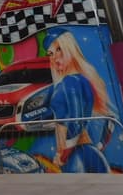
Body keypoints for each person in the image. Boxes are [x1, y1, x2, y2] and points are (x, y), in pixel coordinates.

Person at [45, 28, 114, 173]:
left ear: (70, 48)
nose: (55, 58)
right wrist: (99, 146)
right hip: (89, 152)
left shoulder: (70, 81)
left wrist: (63, 155)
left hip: (75, 156)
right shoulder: (79, 80)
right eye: (50, 53)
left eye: (59, 49)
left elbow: (75, 121)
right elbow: (110, 122)